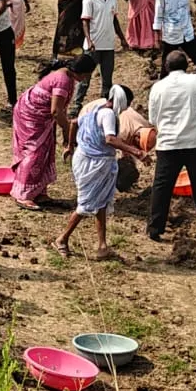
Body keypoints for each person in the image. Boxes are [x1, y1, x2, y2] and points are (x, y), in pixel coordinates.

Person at [56, 85, 147, 260]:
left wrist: (70, 145)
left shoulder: (97, 107)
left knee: (101, 202)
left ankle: (102, 246)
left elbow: (74, 122)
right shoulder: (109, 115)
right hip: (92, 164)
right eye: (128, 104)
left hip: (90, 160)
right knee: (86, 204)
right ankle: (62, 239)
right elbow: (110, 139)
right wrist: (137, 152)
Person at [145, 50, 196, 242]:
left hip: (168, 144)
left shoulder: (158, 88)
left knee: (162, 187)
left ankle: (155, 228)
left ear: (166, 67)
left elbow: (152, 119)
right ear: (186, 66)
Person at [10, 55, 96, 211]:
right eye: (87, 74)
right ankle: (23, 195)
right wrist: (68, 128)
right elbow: (56, 111)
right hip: (31, 116)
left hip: (43, 118)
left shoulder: (66, 77)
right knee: (34, 152)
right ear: (81, 72)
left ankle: (39, 192)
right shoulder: (63, 80)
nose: (86, 78)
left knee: (45, 150)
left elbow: (60, 110)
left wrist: (66, 131)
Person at [73, 0, 124, 115]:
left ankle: (104, 105)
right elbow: (85, 22)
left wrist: (122, 38)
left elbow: (114, 19)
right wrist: (89, 41)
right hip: (93, 46)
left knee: (107, 78)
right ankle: (77, 104)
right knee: (85, 78)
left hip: (108, 45)